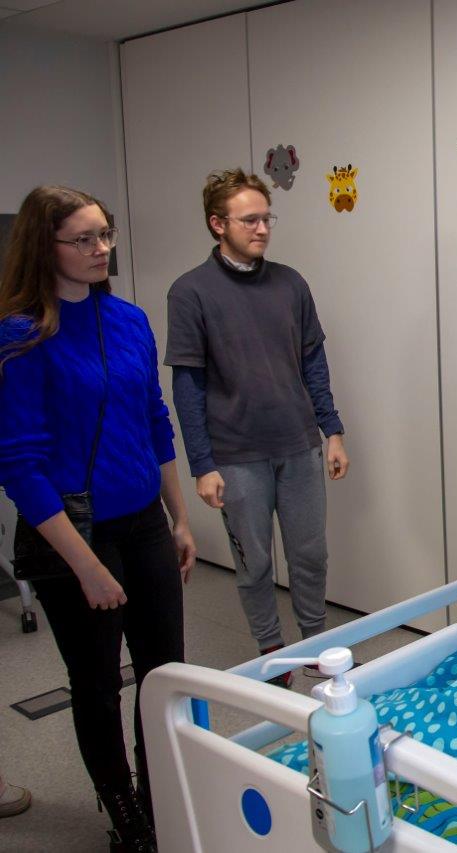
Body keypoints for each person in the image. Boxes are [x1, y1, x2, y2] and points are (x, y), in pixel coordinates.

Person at [0, 186, 195, 852]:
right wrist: (84, 567)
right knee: (98, 683)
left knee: (164, 671)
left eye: (105, 234)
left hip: (144, 521)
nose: (101, 248)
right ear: (45, 246)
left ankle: (160, 793)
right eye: (83, 239)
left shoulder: (130, 320)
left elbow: (155, 422)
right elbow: (20, 466)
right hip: (74, 535)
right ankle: (124, 813)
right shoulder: (23, 335)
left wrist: (179, 518)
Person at [165, 169, 348, 686]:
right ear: (217, 223)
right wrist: (202, 465)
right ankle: (271, 650)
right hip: (235, 453)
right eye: (249, 220)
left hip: (297, 443)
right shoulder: (190, 292)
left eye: (267, 218)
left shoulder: (291, 283)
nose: (262, 229)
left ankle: (314, 645)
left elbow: (314, 363)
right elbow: (188, 386)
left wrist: (332, 430)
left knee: (310, 554)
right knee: (255, 563)